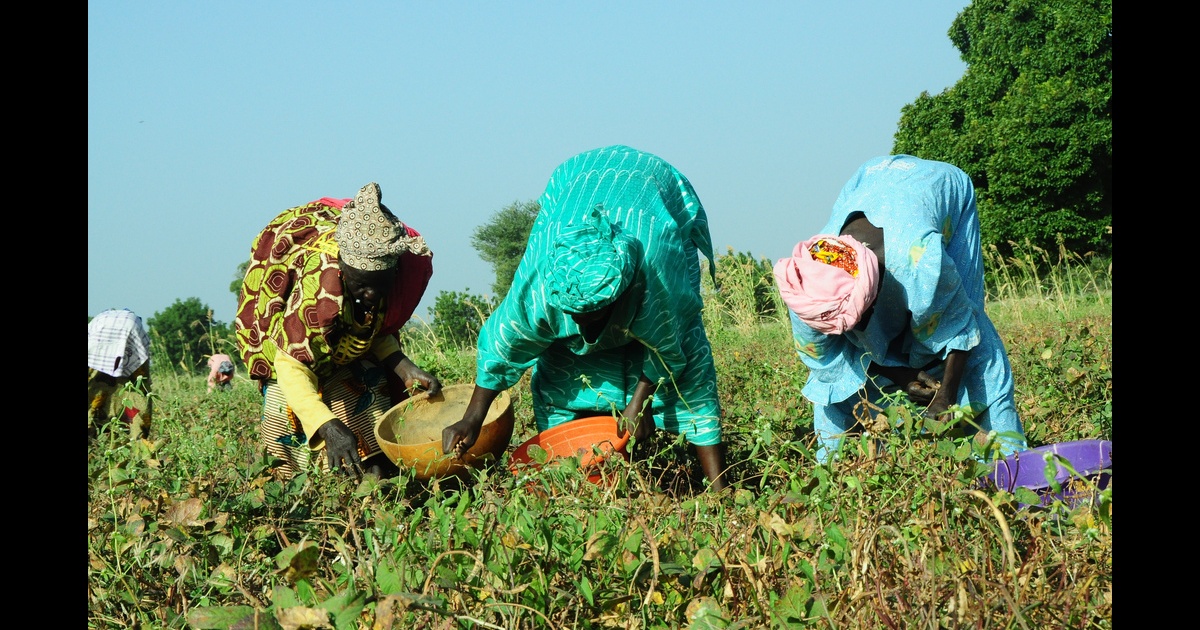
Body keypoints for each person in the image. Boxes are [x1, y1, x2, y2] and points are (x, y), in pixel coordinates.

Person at [442, 145, 728, 491]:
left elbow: (668, 340)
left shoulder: (654, 272)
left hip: (652, 194)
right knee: (560, 370)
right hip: (572, 185)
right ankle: (582, 480)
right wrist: (472, 419)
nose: (583, 329)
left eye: (595, 316)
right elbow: (504, 345)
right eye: (575, 317)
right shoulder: (541, 283)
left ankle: (719, 489)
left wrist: (639, 403)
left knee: (688, 361)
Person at [774, 155, 1028, 463]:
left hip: (942, 188)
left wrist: (947, 396)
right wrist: (901, 372)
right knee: (839, 376)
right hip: (869, 176)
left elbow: (961, 323)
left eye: (859, 318)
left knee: (967, 314)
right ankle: (834, 465)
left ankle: (1006, 461)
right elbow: (830, 363)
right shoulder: (806, 289)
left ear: (876, 287)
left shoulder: (920, 258)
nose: (855, 331)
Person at [235, 182, 442, 479]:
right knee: (288, 430)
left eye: (379, 285)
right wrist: (326, 425)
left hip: (340, 350)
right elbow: (291, 365)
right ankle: (297, 499)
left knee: (370, 386)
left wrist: (403, 366)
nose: (372, 295)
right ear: (343, 270)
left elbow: (371, 327)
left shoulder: (384, 283)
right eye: (362, 285)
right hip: (285, 352)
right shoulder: (317, 294)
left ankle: (374, 478)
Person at [88, 308, 153, 441]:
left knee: (95, 384)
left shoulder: (99, 319)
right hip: (131, 328)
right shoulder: (135, 321)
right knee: (138, 388)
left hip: (100, 330)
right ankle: (137, 437)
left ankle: (93, 430)